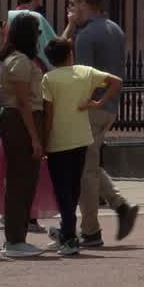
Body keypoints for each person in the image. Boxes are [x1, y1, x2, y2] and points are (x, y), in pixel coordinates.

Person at [64, 0, 137, 244]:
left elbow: (81, 77)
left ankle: (91, 230)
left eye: (75, 3)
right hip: (109, 106)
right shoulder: (115, 28)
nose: (72, 8)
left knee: (87, 172)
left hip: (91, 107)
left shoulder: (86, 35)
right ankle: (120, 205)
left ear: (85, 4)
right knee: (90, 163)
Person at [38, 37, 120, 257]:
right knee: (73, 188)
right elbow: (116, 82)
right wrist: (99, 103)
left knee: (62, 190)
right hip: (81, 139)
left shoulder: (49, 78)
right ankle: (67, 232)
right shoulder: (84, 72)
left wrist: (43, 142)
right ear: (70, 55)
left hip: (58, 141)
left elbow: (49, 114)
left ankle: (69, 236)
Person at [0, 11, 50, 258]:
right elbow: (23, 102)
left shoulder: (19, 59)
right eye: (36, 32)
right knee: (20, 181)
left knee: (25, 180)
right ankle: (14, 239)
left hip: (21, 118)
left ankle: (17, 237)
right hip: (21, 119)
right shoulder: (20, 61)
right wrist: (36, 139)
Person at [7, 0, 56, 65]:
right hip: (33, 65)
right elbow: (52, 44)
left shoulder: (10, 17)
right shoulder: (36, 18)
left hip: (12, 63)